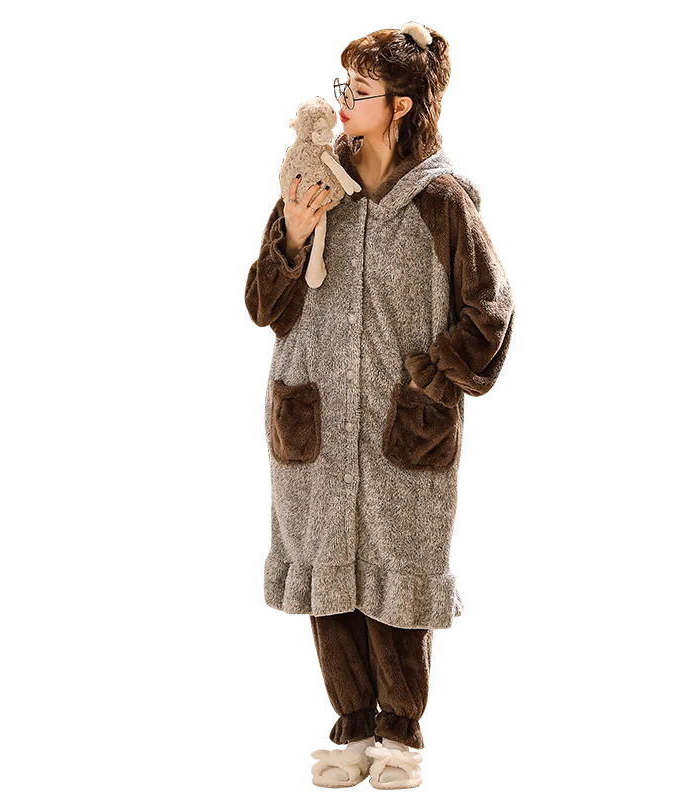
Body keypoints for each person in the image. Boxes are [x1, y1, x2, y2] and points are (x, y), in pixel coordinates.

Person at [244, 22, 516, 789]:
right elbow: (262, 305)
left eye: (359, 92)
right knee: (330, 578)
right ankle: (348, 731)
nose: (342, 102)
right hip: (319, 428)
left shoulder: (442, 202)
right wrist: (293, 236)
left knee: (398, 582)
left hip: (404, 431)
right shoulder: (314, 185)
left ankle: (401, 734)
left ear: (399, 106)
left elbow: (490, 313)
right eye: (343, 87)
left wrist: (433, 380)